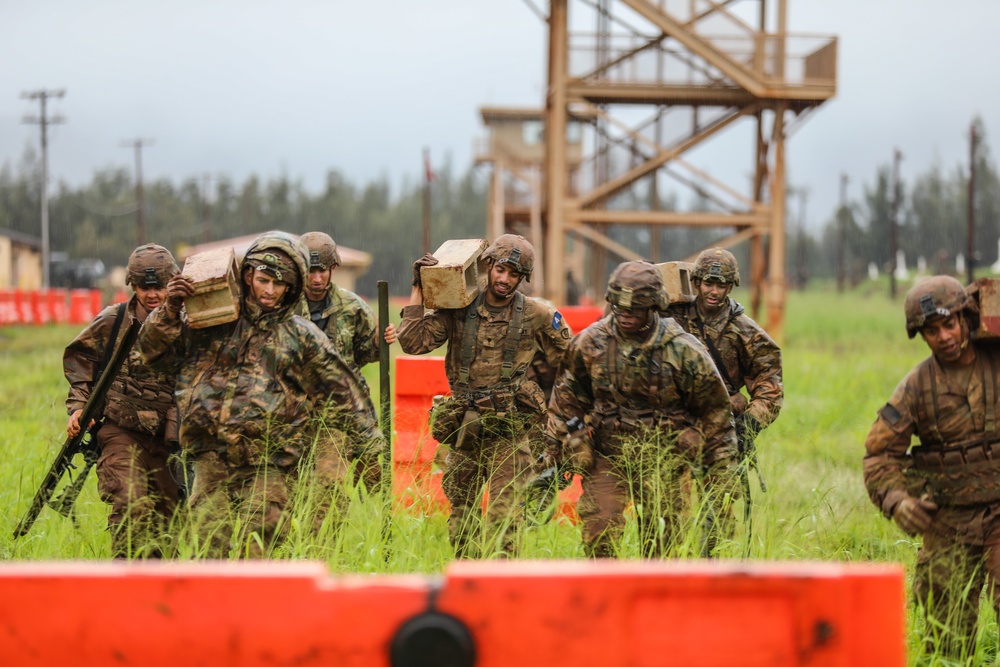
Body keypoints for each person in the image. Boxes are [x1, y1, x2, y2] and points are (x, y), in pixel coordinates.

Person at [138, 231, 385, 558]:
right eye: (264, 279)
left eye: (279, 284)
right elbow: (153, 353)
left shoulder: (300, 336)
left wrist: (372, 450)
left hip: (269, 462)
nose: (269, 291)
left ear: (290, 288)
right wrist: (169, 310)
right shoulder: (212, 321)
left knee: (259, 553)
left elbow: (343, 391)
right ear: (248, 275)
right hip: (211, 457)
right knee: (208, 549)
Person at [546, 260, 737, 558]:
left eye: (634, 310)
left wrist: (719, 470)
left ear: (653, 307)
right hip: (609, 454)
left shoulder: (684, 350)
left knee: (664, 543)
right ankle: (608, 600)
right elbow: (566, 399)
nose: (625, 317)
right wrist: (568, 442)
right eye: (619, 309)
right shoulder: (590, 343)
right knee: (599, 533)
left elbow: (716, 412)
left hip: (665, 456)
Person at [397, 234, 572, 558]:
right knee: (462, 521)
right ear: (488, 266)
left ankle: (503, 595)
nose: (505, 279)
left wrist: (564, 420)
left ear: (523, 278)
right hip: (466, 428)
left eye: (514, 274)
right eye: (500, 270)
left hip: (509, 431)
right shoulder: (459, 307)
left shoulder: (537, 314)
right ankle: (468, 588)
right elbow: (413, 343)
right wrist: (419, 290)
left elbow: (574, 362)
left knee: (505, 522)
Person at [864, 275, 1000, 659]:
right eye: (931, 330)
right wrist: (895, 499)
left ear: (967, 318)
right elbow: (879, 454)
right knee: (947, 632)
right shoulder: (915, 388)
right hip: (948, 520)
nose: (944, 337)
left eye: (949, 324)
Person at [63, 243, 181, 558]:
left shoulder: (189, 323)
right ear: (133, 285)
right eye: (145, 286)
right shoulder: (114, 320)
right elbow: (80, 360)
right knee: (131, 505)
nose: (153, 294)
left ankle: (155, 594)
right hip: (121, 432)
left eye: (160, 286)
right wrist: (79, 407)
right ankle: (124, 586)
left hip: (171, 440)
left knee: (168, 527)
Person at [667, 248, 782, 484]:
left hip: (720, 427)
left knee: (718, 508)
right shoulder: (671, 318)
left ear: (730, 287)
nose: (714, 291)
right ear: (697, 282)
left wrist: (749, 423)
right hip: (673, 425)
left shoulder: (746, 331)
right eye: (709, 283)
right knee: (670, 508)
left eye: (722, 285)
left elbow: (770, 385)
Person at [298, 231, 397, 380]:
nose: (317, 279)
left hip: (343, 396)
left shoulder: (354, 307)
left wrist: (378, 342)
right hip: (299, 398)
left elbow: (361, 356)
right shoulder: (287, 307)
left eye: (322, 270)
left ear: (333, 268)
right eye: (311, 271)